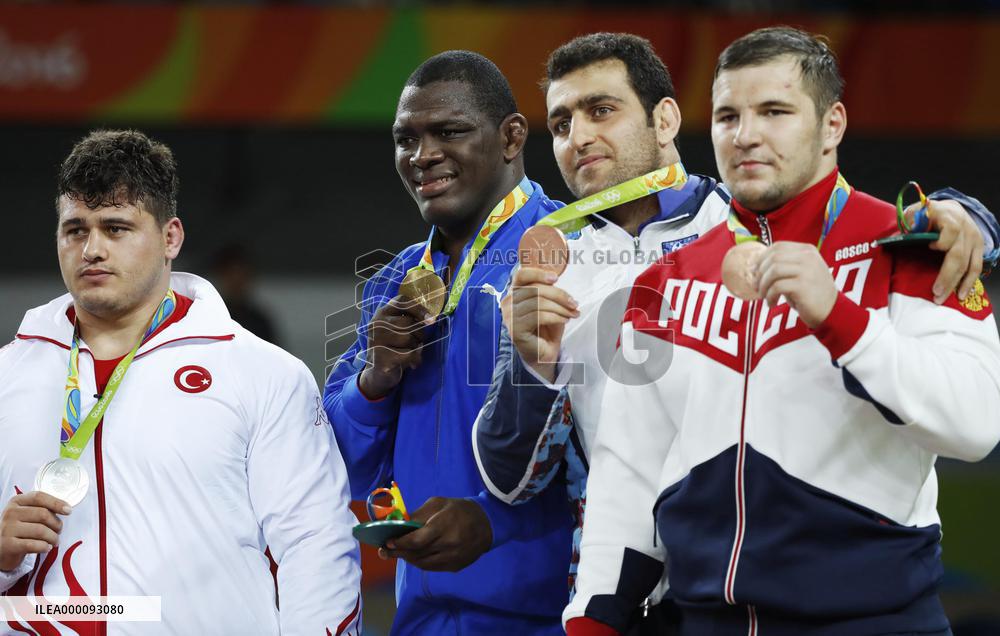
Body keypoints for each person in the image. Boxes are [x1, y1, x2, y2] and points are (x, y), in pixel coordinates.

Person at [472, 32, 999, 634]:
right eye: (728, 116)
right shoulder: (582, 274)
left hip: (870, 613)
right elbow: (616, 467)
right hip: (681, 611)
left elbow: (976, 421)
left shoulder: (902, 241)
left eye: (774, 112)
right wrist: (595, 615)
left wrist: (959, 223)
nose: (747, 134)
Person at [0, 130, 362, 634]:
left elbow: (316, 547)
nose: (92, 249)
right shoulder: (7, 376)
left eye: (116, 228)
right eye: (75, 230)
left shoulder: (263, 375)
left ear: (171, 237)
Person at [323, 52, 573, 635]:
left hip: (548, 620)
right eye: (405, 139)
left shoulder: (572, 255)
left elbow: (612, 458)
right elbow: (343, 468)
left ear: (511, 137)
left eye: (449, 132)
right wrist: (374, 380)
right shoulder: (395, 281)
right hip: (419, 618)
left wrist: (494, 525)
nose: (422, 155)